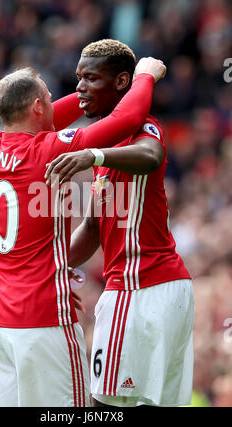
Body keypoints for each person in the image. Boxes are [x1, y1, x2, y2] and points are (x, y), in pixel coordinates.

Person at [0, 57, 166, 406]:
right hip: (42, 319)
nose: (62, 100)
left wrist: (94, 89)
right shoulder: (46, 150)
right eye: (48, 95)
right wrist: (144, 77)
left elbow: (38, 116)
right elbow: (128, 120)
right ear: (37, 106)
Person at [45, 39, 194, 407]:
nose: (80, 87)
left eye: (91, 78)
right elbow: (93, 228)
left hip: (140, 286)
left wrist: (92, 154)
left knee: (105, 406)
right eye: (79, 78)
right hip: (154, 290)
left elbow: (151, 154)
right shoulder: (107, 146)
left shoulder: (143, 127)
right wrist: (52, 268)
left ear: (123, 82)